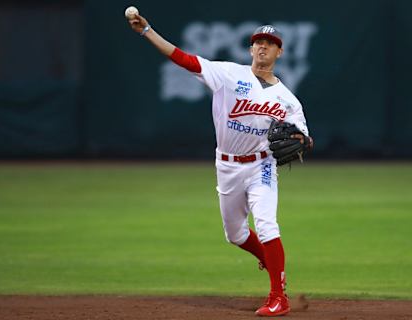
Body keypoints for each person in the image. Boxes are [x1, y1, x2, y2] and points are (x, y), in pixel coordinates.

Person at [127, 13, 313, 317]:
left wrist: (303, 142)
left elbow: (304, 137)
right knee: (236, 235)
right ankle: (268, 257)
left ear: (280, 52)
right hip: (226, 166)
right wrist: (147, 31)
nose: (264, 47)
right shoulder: (228, 74)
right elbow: (183, 59)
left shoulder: (287, 99)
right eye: (259, 43)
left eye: (271, 43)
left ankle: (279, 297)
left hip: (261, 166)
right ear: (251, 49)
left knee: (267, 225)